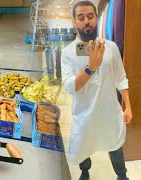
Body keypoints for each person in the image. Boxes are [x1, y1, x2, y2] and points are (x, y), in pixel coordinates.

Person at [61, 1, 132, 180]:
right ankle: (85, 172)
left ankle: (122, 176)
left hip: (110, 112)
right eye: (81, 17)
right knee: (85, 145)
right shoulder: (69, 52)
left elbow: (121, 77)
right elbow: (70, 87)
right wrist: (90, 67)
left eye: (90, 16)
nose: (87, 21)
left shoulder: (111, 47)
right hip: (85, 115)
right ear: (74, 22)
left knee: (115, 144)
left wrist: (128, 106)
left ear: (97, 19)